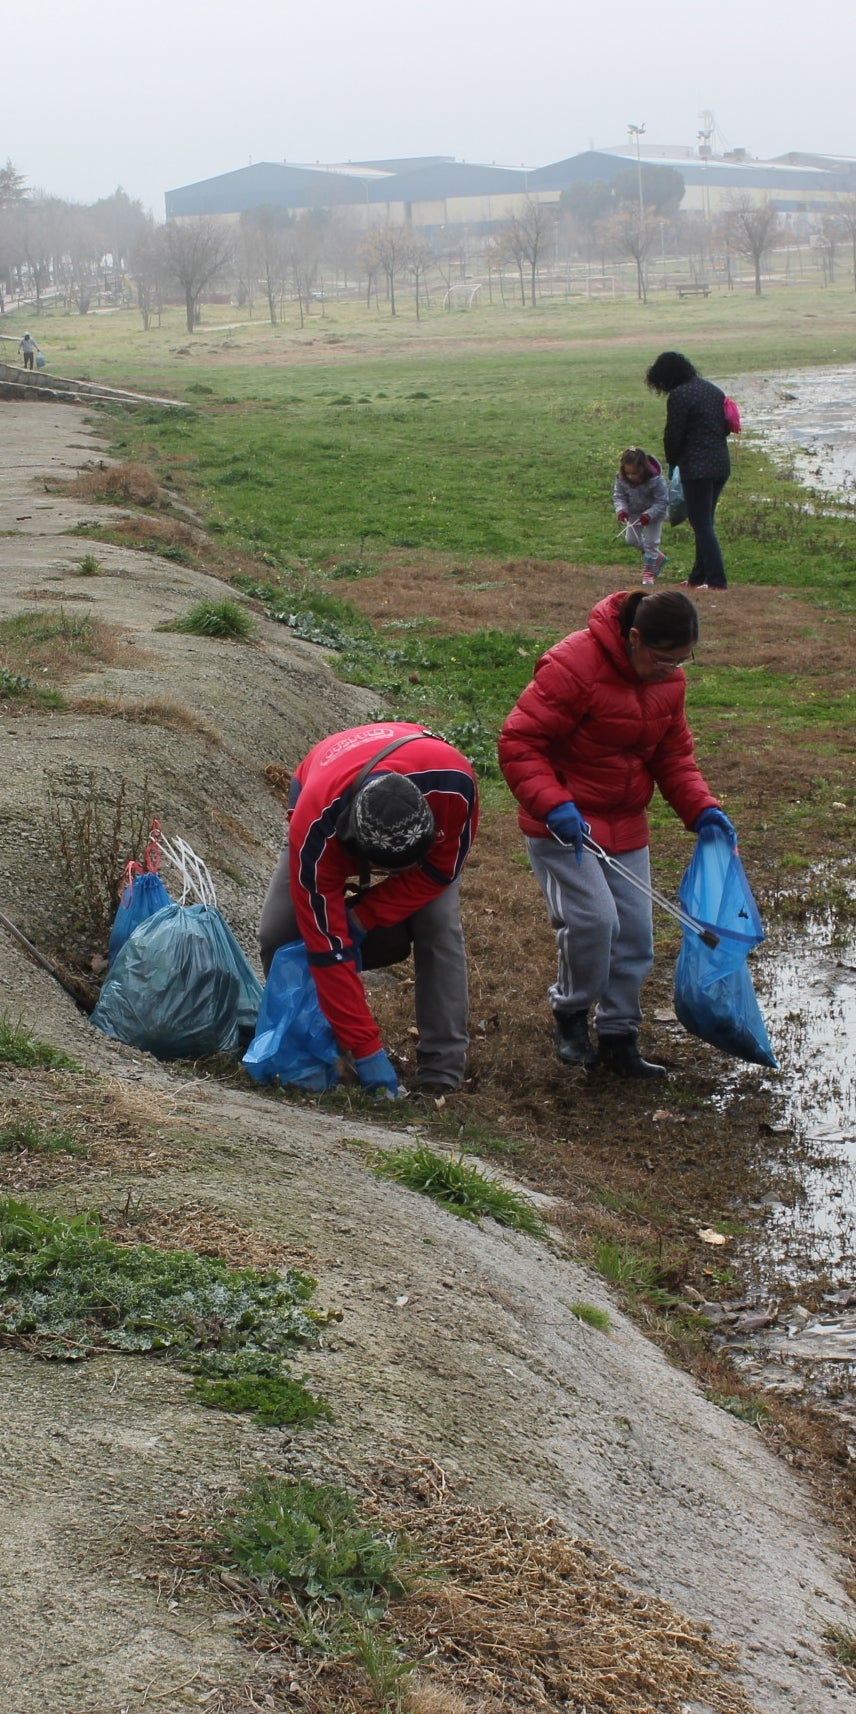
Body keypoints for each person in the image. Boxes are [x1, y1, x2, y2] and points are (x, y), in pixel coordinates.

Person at [497, 589, 735, 1079]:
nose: (672, 670)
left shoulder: (669, 683)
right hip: (565, 825)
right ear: (633, 638)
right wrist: (554, 803)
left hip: (625, 821)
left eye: (683, 661)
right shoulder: (574, 665)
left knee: (634, 936)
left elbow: (672, 757)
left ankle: (619, 1036)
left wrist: (702, 809)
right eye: (664, 659)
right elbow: (520, 741)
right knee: (594, 924)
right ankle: (570, 1012)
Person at [258, 722, 479, 1098]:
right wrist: (367, 1050)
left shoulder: (454, 788)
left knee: (438, 925)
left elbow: (440, 871)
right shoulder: (315, 831)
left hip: (419, 771)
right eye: (387, 870)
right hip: (325, 789)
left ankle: (442, 1070)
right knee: (278, 933)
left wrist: (364, 915)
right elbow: (328, 950)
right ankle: (315, 1046)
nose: (395, 876)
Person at [645, 350, 731, 590]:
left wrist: (672, 462)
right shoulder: (712, 390)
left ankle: (716, 580)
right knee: (704, 522)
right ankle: (697, 578)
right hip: (721, 464)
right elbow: (724, 426)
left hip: (697, 467)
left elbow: (674, 433)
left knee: (701, 523)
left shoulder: (680, 395)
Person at [613, 446, 669, 585]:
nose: (632, 477)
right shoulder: (621, 479)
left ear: (643, 468)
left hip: (654, 515)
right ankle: (657, 557)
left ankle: (648, 574)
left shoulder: (656, 480)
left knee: (651, 543)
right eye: (628, 473)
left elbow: (662, 501)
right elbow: (619, 496)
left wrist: (649, 515)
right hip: (634, 513)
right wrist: (621, 510)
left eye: (635, 473)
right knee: (631, 539)